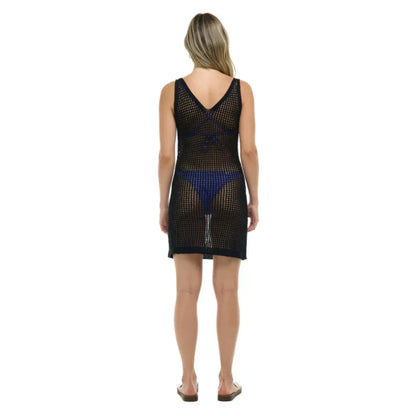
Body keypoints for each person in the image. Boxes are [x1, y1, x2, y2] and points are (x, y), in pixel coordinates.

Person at [158, 12, 259, 402]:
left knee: (186, 291)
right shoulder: (241, 90)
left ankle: (188, 381)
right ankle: (226, 380)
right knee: (228, 290)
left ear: (190, 43)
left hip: (185, 190)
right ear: (221, 42)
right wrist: (254, 198)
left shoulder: (171, 91)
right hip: (229, 190)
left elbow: (166, 156)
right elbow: (248, 151)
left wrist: (163, 203)